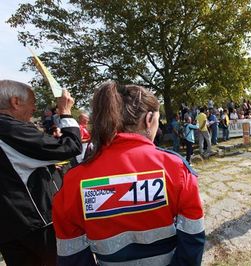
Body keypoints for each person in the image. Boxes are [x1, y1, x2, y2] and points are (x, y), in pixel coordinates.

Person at [52, 81, 205, 265]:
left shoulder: (75, 181)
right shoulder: (175, 168)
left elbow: (71, 255)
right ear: (149, 120)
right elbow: (192, 238)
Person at [0, 80, 82, 266]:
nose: (35, 108)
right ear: (15, 102)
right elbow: (70, 147)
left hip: (8, 227)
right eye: (33, 102)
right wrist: (66, 113)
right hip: (34, 224)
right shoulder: (10, 128)